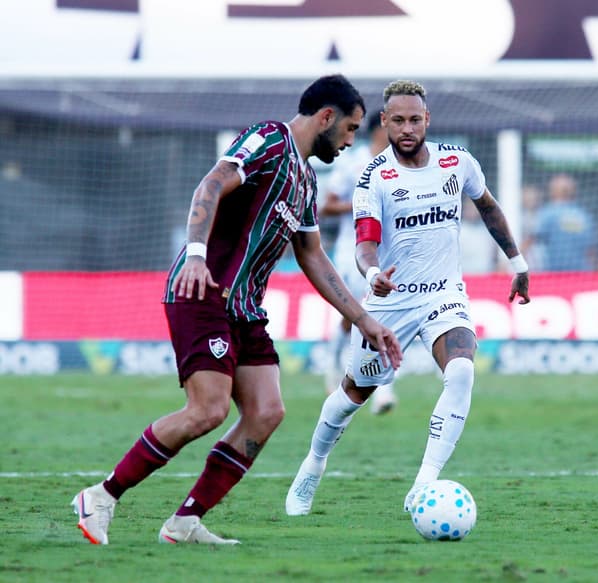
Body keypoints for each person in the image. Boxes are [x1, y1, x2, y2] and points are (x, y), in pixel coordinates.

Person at [71, 74, 402, 545]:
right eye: (349, 129)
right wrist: (195, 255)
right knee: (206, 411)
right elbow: (210, 185)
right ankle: (101, 496)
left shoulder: (306, 180)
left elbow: (312, 256)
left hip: (245, 310)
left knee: (266, 412)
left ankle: (184, 522)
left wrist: (367, 321)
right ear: (326, 117)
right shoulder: (269, 139)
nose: (352, 140)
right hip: (203, 291)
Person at [284, 79, 531, 517]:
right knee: (350, 397)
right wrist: (374, 273)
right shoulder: (374, 176)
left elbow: (489, 207)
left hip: (444, 295)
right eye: (397, 120)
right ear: (384, 122)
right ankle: (313, 465)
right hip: (391, 303)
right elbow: (365, 242)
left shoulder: (458, 162)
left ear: (427, 120)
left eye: (415, 119)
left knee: (461, 372)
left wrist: (517, 262)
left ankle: (423, 486)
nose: (407, 128)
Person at [320, 110, 397, 413]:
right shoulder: (354, 163)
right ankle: (333, 364)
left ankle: (383, 389)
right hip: (352, 252)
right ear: (382, 127)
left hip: (388, 252)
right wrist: (362, 205)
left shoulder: (399, 162)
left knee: (383, 314)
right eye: (395, 122)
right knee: (355, 316)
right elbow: (326, 206)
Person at [532, 172, 596, 271]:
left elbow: (530, 239)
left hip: (554, 275)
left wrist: (510, 262)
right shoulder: (584, 215)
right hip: (580, 274)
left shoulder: (548, 213)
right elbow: (591, 251)